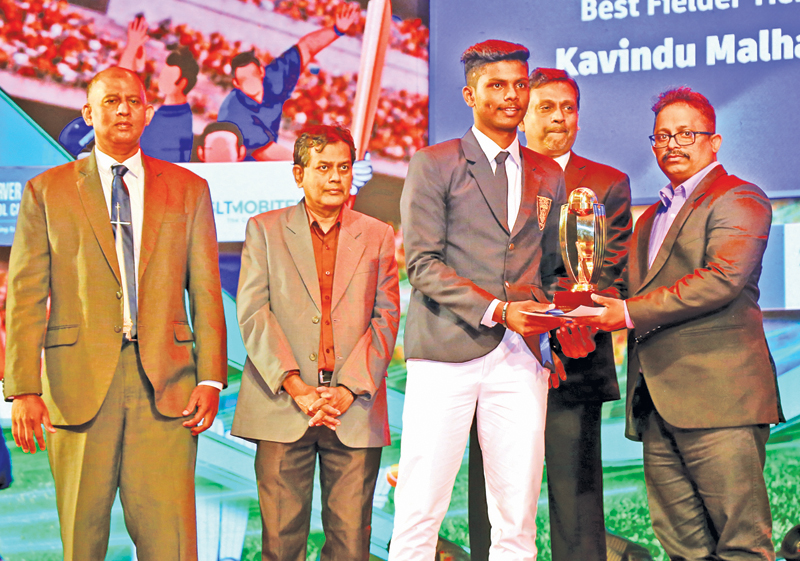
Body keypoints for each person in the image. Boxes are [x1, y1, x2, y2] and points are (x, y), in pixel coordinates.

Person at [4, 66, 227, 560]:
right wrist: (22, 388)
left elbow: (207, 291)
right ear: (88, 113)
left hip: (168, 388)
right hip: (77, 384)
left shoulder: (189, 189)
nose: (123, 109)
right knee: (82, 545)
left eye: (133, 100)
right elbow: (24, 295)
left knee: (171, 544)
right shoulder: (47, 191)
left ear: (148, 112)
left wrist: (211, 379)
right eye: (110, 101)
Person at [388, 40, 594, 561]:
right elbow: (423, 265)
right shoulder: (433, 163)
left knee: (516, 514)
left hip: (521, 357)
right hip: (444, 351)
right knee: (420, 508)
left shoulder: (548, 172)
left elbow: (549, 270)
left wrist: (563, 315)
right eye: (496, 85)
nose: (511, 96)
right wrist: (500, 311)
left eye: (520, 85)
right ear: (470, 94)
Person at [585, 87, 784, 560]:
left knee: (742, 544)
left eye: (685, 134)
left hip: (721, 400)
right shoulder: (649, 217)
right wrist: (577, 305)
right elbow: (625, 290)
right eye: (661, 137)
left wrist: (627, 313)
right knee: (683, 546)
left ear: (713, 142)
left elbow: (721, 279)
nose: (671, 144)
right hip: (656, 404)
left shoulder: (739, 198)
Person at [468, 67, 633, 561]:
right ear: (522, 117)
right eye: (546, 107)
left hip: (573, 360)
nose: (560, 117)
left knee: (575, 502)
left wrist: (552, 324)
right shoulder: (491, 177)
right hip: (494, 359)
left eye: (568, 108)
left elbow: (607, 274)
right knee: (493, 500)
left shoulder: (606, 183)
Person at [231, 124, 400, 560]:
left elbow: (385, 318)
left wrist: (347, 389)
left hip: (354, 406)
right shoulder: (264, 230)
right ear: (298, 174)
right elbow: (253, 313)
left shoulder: (378, 234)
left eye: (343, 168)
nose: (335, 178)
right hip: (284, 403)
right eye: (323, 167)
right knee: (281, 543)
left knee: (350, 545)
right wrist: (297, 387)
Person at [217, 2, 360, 162]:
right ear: (236, 84)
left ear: (262, 72)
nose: (250, 82)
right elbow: (264, 152)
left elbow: (307, 47)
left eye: (253, 75)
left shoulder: (274, 79)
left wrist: (336, 30)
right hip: (237, 166)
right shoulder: (234, 110)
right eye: (244, 80)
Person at [59, 16, 201, 163]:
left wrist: (132, 47)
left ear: (182, 83)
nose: (160, 79)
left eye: (167, 75)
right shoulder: (168, 113)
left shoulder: (172, 119)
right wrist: (133, 49)